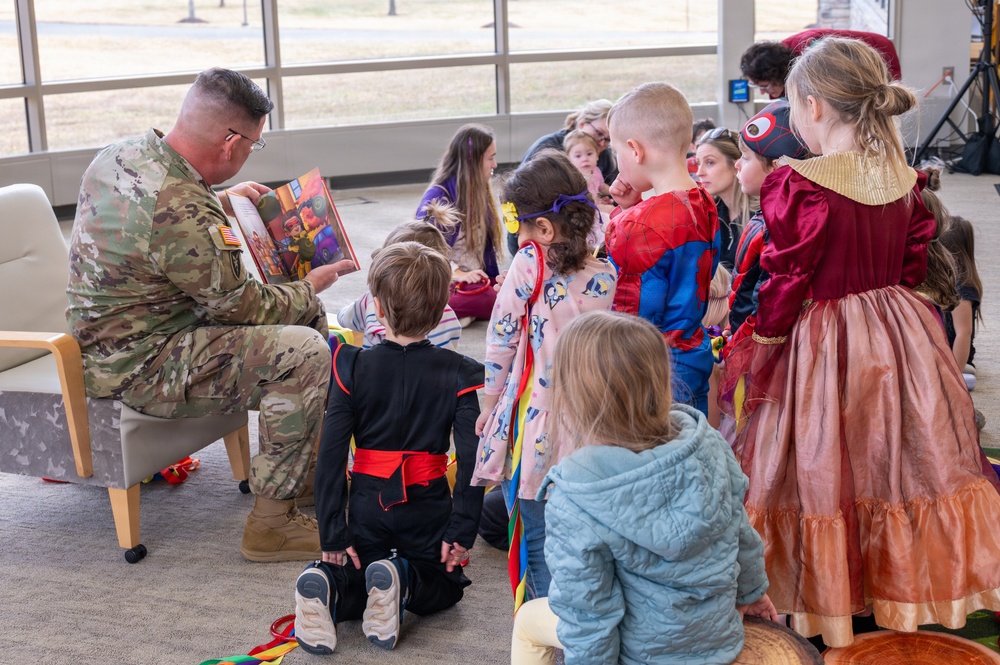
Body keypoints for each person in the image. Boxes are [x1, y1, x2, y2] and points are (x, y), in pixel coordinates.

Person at [720, 37, 1000, 647]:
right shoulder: (904, 177)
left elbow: (789, 277)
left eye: (794, 109)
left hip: (823, 339)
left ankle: (831, 601)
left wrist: (762, 341)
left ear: (815, 107)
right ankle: (886, 591)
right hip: (899, 335)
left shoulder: (801, 183)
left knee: (819, 463)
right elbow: (909, 264)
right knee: (892, 459)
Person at [65, 67, 354, 563]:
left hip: (105, 345)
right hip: (141, 365)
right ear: (230, 141)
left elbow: (156, 225)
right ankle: (271, 526)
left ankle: (304, 473)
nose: (249, 154)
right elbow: (246, 306)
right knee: (303, 347)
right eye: (254, 144)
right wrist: (310, 284)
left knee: (303, 319)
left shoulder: (122, 155)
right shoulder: (182, 207)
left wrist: (222, 202)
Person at [509, 311, 776, 665]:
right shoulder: (707, 443)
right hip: (719, 638)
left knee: (527, 620)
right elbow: (742, 533)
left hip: (641, 654)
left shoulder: (575, 495)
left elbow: (588, 615)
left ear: (573, 397)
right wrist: (754, 593)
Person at [294, 241, 485, 654]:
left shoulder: (351, 365)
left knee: (361, 570)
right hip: (427, 508)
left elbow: (329, 454)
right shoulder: (460, 372)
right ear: (441, 311)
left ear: (376, 308)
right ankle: (404, 578)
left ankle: (327, 583)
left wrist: (332, 531)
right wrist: (461, 529)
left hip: (366, 507)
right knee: (447, 586)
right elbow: (472, 459)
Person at [473, 150, 617, 605]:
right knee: (587, 537)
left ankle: (546, 632)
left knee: (536, 541)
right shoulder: (607, 271)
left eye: (520, 223)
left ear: (545, 229)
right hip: (593, 424)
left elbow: (500, 340)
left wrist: (489, 404)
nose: (518, 233)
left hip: (536, 429)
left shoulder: (529, 264)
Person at [605, 81, 720, 416]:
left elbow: (625, 313)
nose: (619, 164)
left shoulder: (636, 225)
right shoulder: (704, 201)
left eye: (617, 154)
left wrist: (623, 218)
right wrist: (629, 209)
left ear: (635, 150)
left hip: (647, 368)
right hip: (693, 352)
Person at [722, 100, 809, 351]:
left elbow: (765, 303)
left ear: (776, 168)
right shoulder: (775, 217)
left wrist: (738, 343)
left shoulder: (778, 227)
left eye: (746, 158)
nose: (737, 164)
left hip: (756, 346)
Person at [417, 123, 503, 325]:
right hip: (445, 281)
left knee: (509, 291)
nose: (495, 164)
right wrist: (459, 274)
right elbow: (423, 254)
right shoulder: (438, 198)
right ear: (472, 162)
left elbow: (486, 257)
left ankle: (455, 313)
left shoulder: (479, 192)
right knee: (492, 299)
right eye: (490, 158)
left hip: (474, 280)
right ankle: (425, 312)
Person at [337, 218, 461, 350]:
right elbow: (447, 361)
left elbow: (343, 318)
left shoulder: (369, 301)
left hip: (373, 369)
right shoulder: (443, 313)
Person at [513, 99, 617, 255]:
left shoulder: (603, 154)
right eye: (599, 134)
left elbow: (610, 187)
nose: (602, 143)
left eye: (608, 139)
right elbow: (534, 204)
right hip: (538, 231)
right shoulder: (547, 151)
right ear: (582, 124)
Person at [740, 29, 901, 100]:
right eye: (757, 86)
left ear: (777, 74)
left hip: (878, 56)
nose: (762, 92)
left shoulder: (812, 54)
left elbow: (833, 96)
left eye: (765, 86)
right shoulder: (778, 58)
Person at [696, 127, 751, 269]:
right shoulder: (707, 214)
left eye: (709, 162)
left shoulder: (762, 216)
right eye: (698, 163)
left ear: (735, 166)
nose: (699, 172)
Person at [942, 215, 984, 389]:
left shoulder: (962, 288)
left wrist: (955, 373)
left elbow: (964, 333)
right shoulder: (948, 279)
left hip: (954, 355)